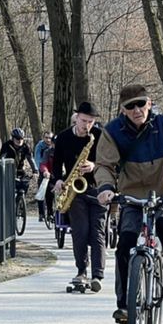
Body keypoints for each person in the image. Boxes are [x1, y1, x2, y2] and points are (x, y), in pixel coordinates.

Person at [96, 85, 163, 324]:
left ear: (149, 103)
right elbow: (104, 165)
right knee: (126, 242)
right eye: (130, 106)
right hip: (132, 196)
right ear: (123, 109)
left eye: (141, 104)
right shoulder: (112, 131)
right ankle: (124, 305)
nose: (136, 110)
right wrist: (106, 188)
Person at [53, 101, 105, 292]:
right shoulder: (64, 137)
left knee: (97, 231)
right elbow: (56, 164)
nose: (87, 126)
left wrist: (94, 165)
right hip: (75, 191)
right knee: (80, 232)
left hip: (97, 188)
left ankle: (98, 275)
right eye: (84, 121)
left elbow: (110, 161)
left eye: (91, 122)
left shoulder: (99, 136)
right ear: (76, 118)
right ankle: (81, 270)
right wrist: (58, 180)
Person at [35, 132, 55, 221]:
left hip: (56, 174)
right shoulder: (42, 148)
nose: (48, 140)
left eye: (50, 138)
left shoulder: (62, 150)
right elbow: (40, 160)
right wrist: (43, 171)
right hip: (44, 172)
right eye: (46, 138)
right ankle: (41, 214)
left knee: (50, 194)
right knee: (42, 191)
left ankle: (51, 213)